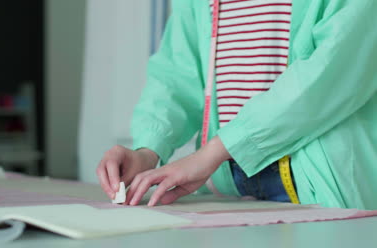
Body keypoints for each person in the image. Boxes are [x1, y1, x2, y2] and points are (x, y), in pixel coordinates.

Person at [96, 0, 377, 209]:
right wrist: (148, 149)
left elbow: (329, 75)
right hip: (227, 180)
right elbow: (178, 73)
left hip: (322, 183)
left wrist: (213, 152)